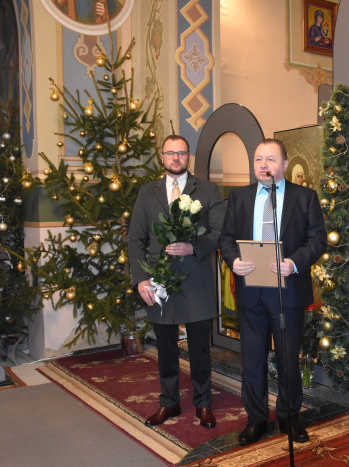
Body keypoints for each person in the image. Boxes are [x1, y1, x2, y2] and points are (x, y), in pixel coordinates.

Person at [219, 138, 327, 446]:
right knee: (252, 359)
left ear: (283, 163)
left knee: (288, 358)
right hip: (251, 290)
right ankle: (255, 419)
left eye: (269, 159)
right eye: (257, 160)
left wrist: (293, 263)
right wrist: (234, 261)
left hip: (287, 292)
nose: (263, 165)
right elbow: (226, 238)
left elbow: (317, 240)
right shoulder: (239, 197)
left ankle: (290, 417)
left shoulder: (304, 197)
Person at [128, 134, 225, 429]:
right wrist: (141, 279)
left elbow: (220, 232)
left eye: (181, 153)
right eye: (170, 153)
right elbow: (135, 239)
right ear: (162, 156)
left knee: (199, 348)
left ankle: (203, 404)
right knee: (166, 348)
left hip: (196, 279)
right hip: (160, 282)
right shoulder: (147, 193)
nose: (175, 158)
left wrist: (193, 247)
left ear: (188, 157)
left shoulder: (207, 190)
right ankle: (168, 402)